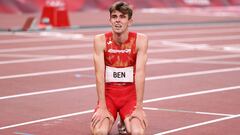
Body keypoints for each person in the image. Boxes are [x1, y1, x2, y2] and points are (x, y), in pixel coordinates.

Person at [90, 1, 148, 135]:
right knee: (100, 132)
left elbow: (140, 74)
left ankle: (123, 119)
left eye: (122, 17)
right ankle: (115, 117)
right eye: (114, 17)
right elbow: (99, 74)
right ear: (110, 20)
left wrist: (139, 107)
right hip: (109, 96)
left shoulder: (140, 40)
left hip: (129, 96)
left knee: (137, 132)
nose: (118, 20)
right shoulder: (100, 40)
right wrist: (102, 106)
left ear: (130, 21)